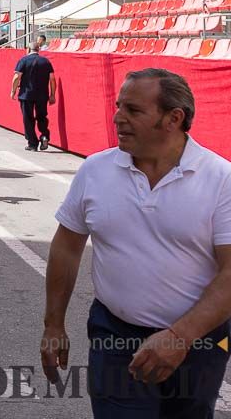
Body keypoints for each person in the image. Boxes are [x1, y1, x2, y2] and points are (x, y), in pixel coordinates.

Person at [42, 69, 231, 418]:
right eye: (118, 106)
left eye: (133, 110)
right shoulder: (95, 170)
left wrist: (179, 337)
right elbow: (66, 246)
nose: (118, 118)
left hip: (201, 341)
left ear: (174, 118)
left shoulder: (221, 179)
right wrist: (53, 324)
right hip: (114, 336)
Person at [12, 39, 56, 151]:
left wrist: (13, 91)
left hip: (26, 94)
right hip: (42, 95)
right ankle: (44, 135)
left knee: (28, 118)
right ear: (38, 49)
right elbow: (52, 80)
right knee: (42, 117)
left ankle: (32, 143)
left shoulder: (23, 60)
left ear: (28, 49)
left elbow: (17, 77)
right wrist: (52, 95)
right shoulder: (45, 62)